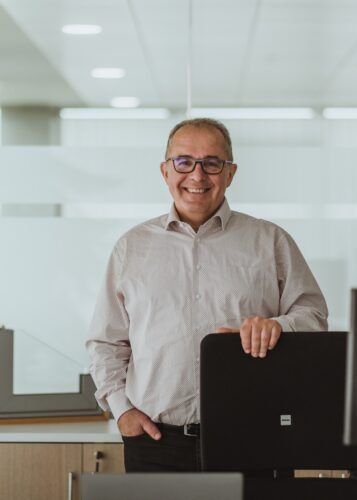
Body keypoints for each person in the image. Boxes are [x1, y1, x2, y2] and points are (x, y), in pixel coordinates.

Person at [86, 118, 328, 472]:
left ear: (230, 173)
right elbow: (105, 342)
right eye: (184, 162)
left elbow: (314, 316)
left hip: (255, 437)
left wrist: (279, 326)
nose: (197, 175)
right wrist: (122, 411)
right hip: (156, 443)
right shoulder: (131, 248)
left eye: (212, 163)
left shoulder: (271, 241)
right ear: (165, 171)